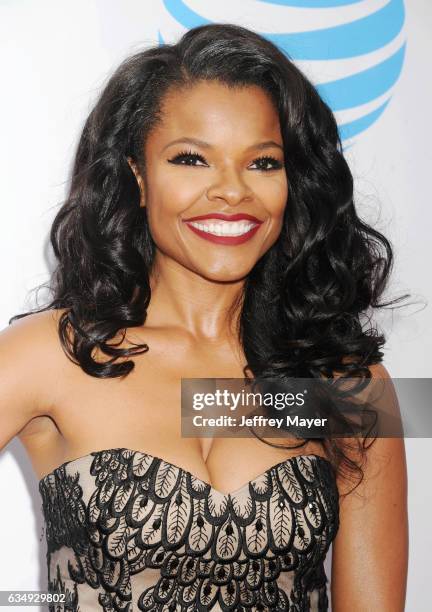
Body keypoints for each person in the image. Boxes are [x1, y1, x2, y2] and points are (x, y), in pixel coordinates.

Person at [0, 23, 408, 611]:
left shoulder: (347, 388)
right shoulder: (53, 356)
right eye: (192, 159)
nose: (231, 192)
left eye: (263, 164)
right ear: (139, 177)